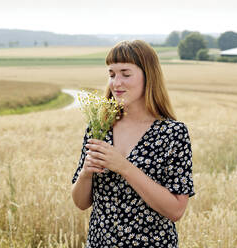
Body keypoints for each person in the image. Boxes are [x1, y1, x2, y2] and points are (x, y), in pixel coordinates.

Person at [71, 40, 195, 248]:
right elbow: (81, 203)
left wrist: (124, 167)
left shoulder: (173, 133)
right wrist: (86, 173)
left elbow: (176, 211)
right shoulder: (100, 127)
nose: (116, 83)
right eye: (111, 74)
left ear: (149, 76)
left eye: (125, 74)